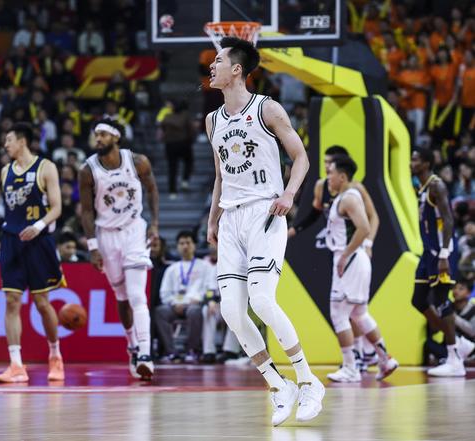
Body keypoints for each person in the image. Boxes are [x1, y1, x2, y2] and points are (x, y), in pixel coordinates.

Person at [205, 36, 324, 426]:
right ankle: (278, 385)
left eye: (218, 60)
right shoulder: (212, 120)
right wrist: (212, 219)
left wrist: (289, 193)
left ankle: (308, 381)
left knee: (262, 301)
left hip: (265, 212)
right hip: (230, 218)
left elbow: (301, 157)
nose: (212, 66)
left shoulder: (266, 109)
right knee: (231, 310)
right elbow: (220, 174)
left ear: (236, 69)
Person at [288, 145, 381, 370]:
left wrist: (368, 244)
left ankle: (358, 356)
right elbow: (314, 214)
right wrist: (294, 230)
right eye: (325, 163)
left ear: (341, 171)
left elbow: (372, 219)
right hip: (336, 248)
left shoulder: (354, 190)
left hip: (352, 250)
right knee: (352, 310)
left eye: (330, 163)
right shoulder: (322, 185)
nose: (327, 167)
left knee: (347, 308)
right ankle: (373, 355)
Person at [79, 119, 159, 380]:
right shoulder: (88, 170)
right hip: (106, 236)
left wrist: (154, 225)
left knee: (137, 296)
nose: (98, 139)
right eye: (96, 135)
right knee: (122, 297)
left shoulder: (137, 162)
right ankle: (132, 345)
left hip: (134, 231)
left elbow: (152, 190)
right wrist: (92, 246)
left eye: (103, 134)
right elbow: (87, 211)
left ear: (116, 137)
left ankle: (145, 353)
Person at [0, 122, 66, 383]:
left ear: (22, 141)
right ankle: (16, 364)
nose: (6, 145)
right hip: (11, 240)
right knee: (12, 301)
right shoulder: (5, 171)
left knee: (42, 303)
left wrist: (38, 226)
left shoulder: (46, 167)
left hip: (38, 241)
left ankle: (55, 355)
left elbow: (57, 208)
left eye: (9, 140)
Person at [323, 156, 399, 382]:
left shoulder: (348, 198)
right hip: (356, 259)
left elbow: (364, 227)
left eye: (331, 173)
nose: (328, 177)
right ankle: (385, 360)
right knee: (359, 313)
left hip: (350, 259)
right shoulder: (345, 197)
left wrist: (345, 255)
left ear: (342, 176)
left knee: (338, 314)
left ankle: (350, 368)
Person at [410, 148, 465, 376]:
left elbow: (449, 220)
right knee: (418, 300)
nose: (411, 163)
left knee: (442, 301)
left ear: (426, 163)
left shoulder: (436, 185)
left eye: (415, 160)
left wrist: (443, 254)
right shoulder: (421, 188)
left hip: (442, 252)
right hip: (428, 253)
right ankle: (459, 341)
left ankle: (454, 358)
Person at [155, 231, 213, 363]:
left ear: (194, 245)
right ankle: (171, 352)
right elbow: (164, 292)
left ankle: (192, 350)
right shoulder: (172, 268)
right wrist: (174, 303)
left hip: (194, 304)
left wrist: (196, 300)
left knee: (195, 311)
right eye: (181, 243)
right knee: (159, 312)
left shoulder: (204, 266)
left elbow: (208, 287)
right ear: (177, 247)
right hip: (175, 306)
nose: (185, 246)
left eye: (188, 243)